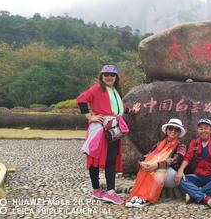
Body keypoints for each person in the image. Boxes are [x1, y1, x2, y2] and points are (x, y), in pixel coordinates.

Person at [77, 64, 141, 205]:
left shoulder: (115, 91)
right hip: (100, 129)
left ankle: (110, 192)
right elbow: (81, 99)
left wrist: (132, 110)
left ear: (116, 77)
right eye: (106, 74)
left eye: (112, 75)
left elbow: (119, 108)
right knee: (94, 158)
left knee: (111, 159)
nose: (109, 77)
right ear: (101, 76)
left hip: (113, 130)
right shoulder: (96, 89)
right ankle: (96, 189)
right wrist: (89, 116)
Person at [125, 118, 187, 208]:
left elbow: (176, 159)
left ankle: (147, 198)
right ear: (166, 130)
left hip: (171, 173)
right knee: (146, 167)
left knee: (157, 172)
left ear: (179, 133)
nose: (173, 131)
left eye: (176, 129)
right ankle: (138, 195)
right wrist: (142, 162)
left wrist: (157, 165)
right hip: (156, 167)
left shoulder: (181, 146)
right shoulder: (159, 144)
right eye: (170, 128)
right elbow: (148, 155)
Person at [174, 118, 211, 208]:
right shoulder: (194, 143)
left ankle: (193, 195)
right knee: (180, 179)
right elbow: (188, 157)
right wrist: (180, 170)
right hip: (198, 175)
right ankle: (205, 198)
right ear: (198, 131)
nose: (203, 130)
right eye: (201, 128)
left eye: (206, 128)